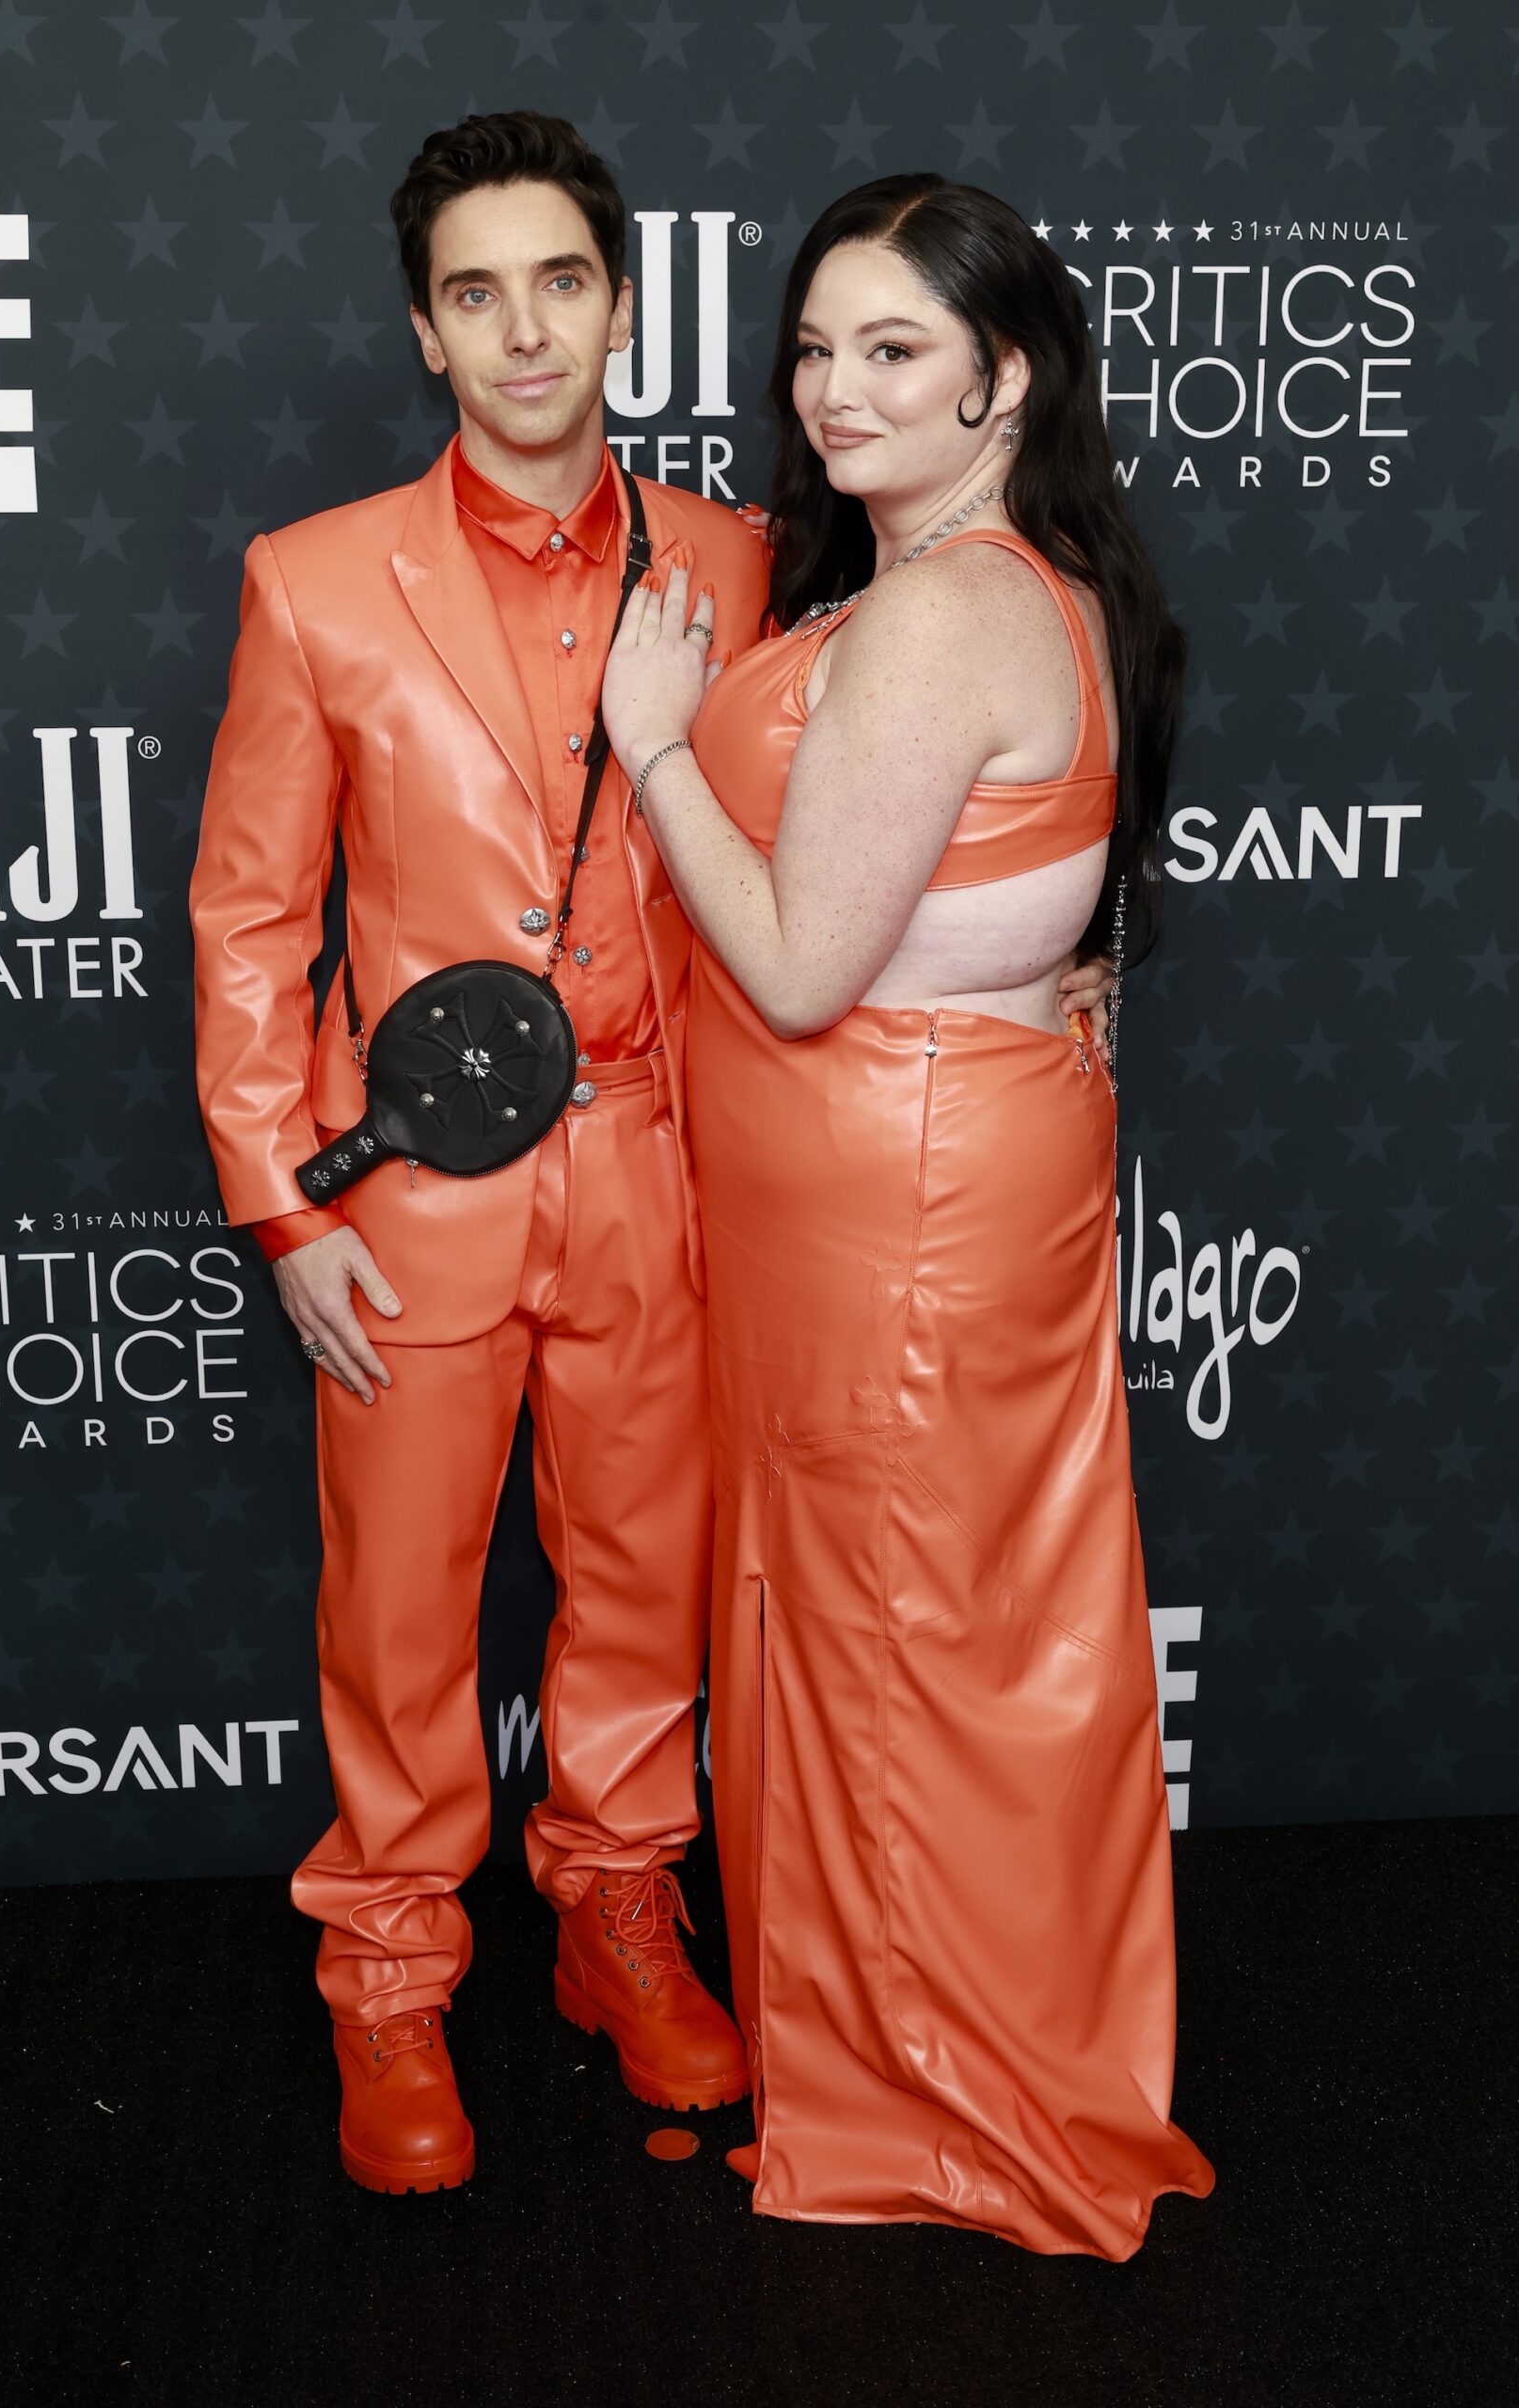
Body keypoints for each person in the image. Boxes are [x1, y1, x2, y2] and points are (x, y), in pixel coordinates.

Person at [601, 174, 1215, 2255]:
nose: (834, 390)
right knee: (944, 1623)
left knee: (896, 1635)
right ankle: (944, 2043)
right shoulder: (1006, 580)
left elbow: (796, 968)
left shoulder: (949, 607)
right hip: (925, 1168)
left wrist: (654, 748)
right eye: (812, 347)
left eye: (893, 349)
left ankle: (935, 2097)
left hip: (902, 1194)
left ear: (1002, 379)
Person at [188, 112, 779, 2194]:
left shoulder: (734, 564)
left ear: (619, 308)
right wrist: (282, 1205)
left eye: (560, 282)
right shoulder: (314, 580)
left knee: (641, 1576)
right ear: (425, 333)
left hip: (660, 1166)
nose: (524, 330)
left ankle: (618, 1907)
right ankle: (389, 1965)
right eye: (474, 292)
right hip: (412, 1190)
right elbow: (251, 917)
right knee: (399, 1609)